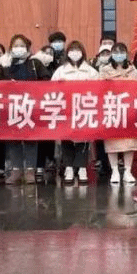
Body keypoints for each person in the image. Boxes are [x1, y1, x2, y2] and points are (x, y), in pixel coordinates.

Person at [0, 34, 51, 184]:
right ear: (10, 48)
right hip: (11, 107)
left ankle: (30, 170)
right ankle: (16, 170)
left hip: (31, 106)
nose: (18, 48)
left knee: (31, 139)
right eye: (16, 46)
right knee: (14, 140)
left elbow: (46, 80)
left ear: (27, 48)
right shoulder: (5, 65)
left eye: (21, 46)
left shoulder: (35, 63)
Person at [51, 40, 100, 183]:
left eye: (77, 50)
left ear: (83, 53)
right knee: (66, 139)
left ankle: (82, 167)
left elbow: (99, 89)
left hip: (84, 109)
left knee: (83, 140)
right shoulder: (61, 71)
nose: (75, 53)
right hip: (66, 110)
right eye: (72, 50)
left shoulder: (91, 71)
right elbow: (51, 89)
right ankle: (69, 168)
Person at [100, 42, 137, 185]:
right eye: (115, 52)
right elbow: (99, 89)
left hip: (129, 109)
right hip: (112, 107)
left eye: (121, 52)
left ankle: (128, 171)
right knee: (112, 140)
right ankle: (115, 171)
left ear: (126, 54)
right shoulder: (105, 71)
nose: (119, 55)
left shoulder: (133, 71)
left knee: (130, 141)